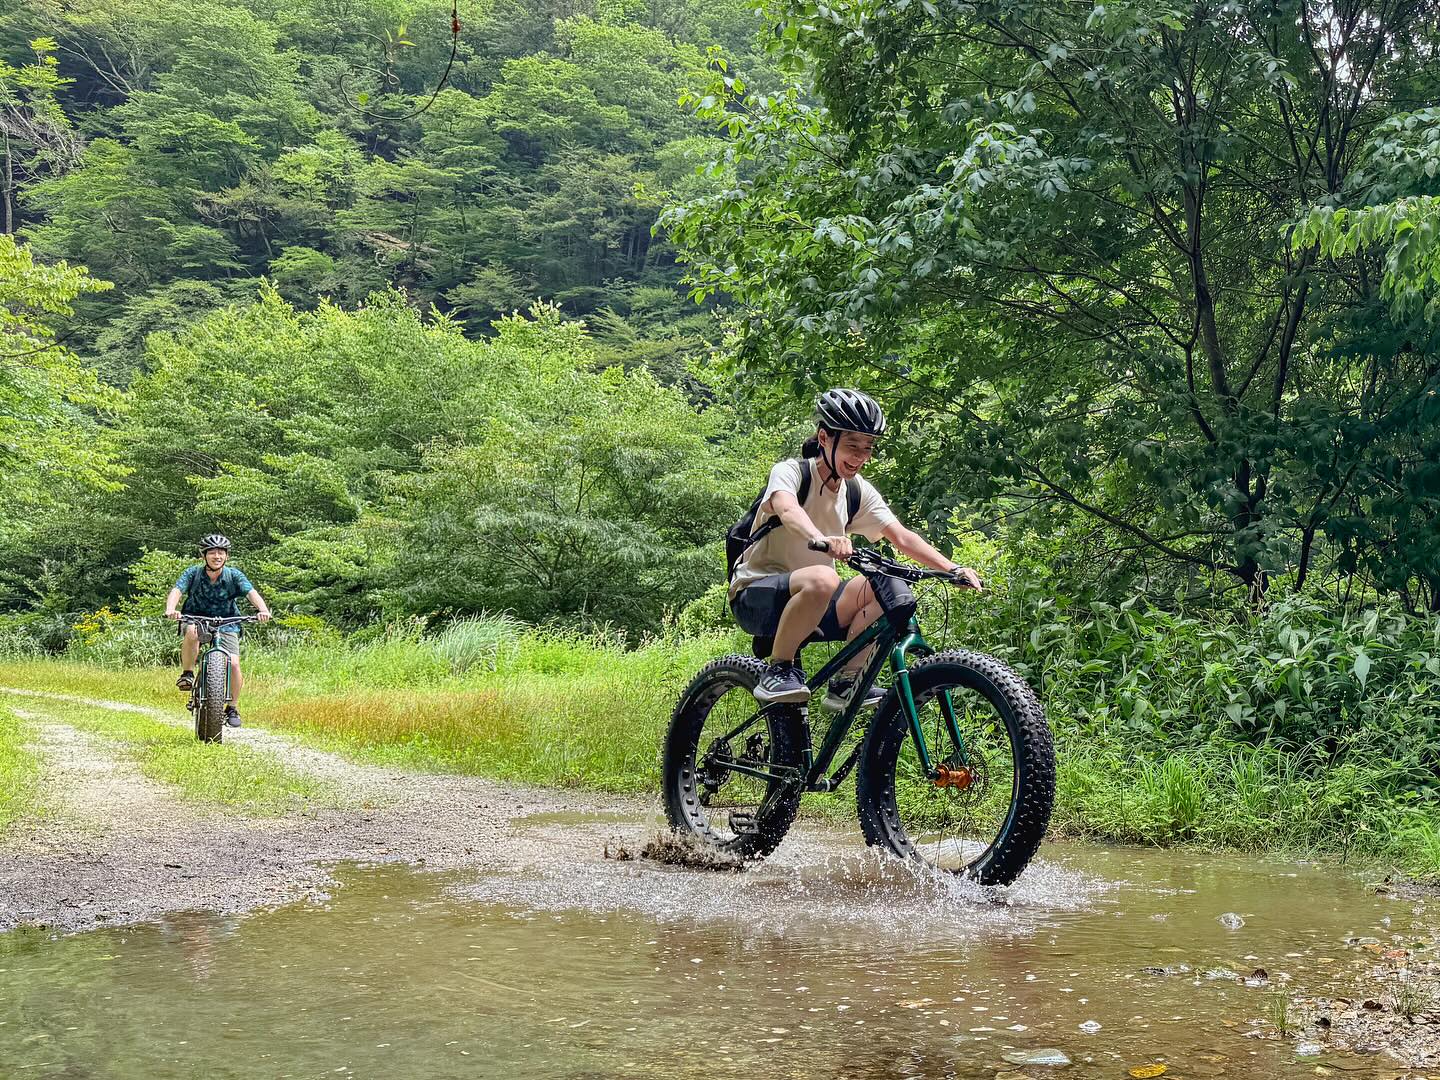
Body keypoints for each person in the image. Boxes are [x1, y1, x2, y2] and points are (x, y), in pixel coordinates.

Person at [729, 389, 982, 706]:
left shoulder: (856, 491)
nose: (861, 457)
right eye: (852, 446)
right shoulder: (792, 472)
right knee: (823, 577)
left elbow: (901, 537)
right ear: (824, 438)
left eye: (868, 448)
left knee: (885, 585)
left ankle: (848, 682)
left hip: (816, 600)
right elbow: (787, 509)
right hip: (756, 594)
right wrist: (821, 538)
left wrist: (952, 569)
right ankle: (779, 669)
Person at [164, 534, 271, 727]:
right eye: (212, 552)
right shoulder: (193, 574)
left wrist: (263, 610)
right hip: (196, 618)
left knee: (235, 664)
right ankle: (187, 674)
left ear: (226, 556)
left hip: (228, 621)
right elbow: (177, 590)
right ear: (204, 556)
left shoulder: (234, 576)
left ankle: (232, 707)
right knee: (192, 633)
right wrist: (171, 609)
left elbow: (251, 592)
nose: (217, 556)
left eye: (221, 552)